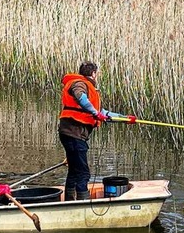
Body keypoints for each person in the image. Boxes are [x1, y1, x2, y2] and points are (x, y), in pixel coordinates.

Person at [58, 61, 136, 201]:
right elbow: (80, 96)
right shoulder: (79, 83)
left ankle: (70, 199)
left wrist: (124, 118)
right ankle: (82, 203)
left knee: (74, 170)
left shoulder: (88, 88)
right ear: (93, 73)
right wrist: (95, 112)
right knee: (83, 173)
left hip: (71, 134)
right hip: (73, 134)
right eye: (97, 73)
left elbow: (103, 113)